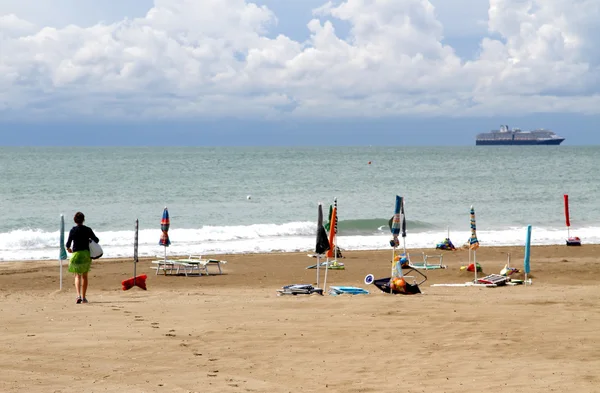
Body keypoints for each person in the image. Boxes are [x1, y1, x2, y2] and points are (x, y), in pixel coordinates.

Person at [65, 212, 99, 304]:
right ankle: (84, 298)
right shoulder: (88, 230)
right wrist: (88, 239)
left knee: (77, 276)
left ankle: (78, 296)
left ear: (75, 220)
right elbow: (96, 240)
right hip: (85, 255)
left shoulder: (73, 230)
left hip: (76, 255)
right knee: (84, 276)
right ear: (83, 220)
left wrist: (69, 249)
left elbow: (68, 244)